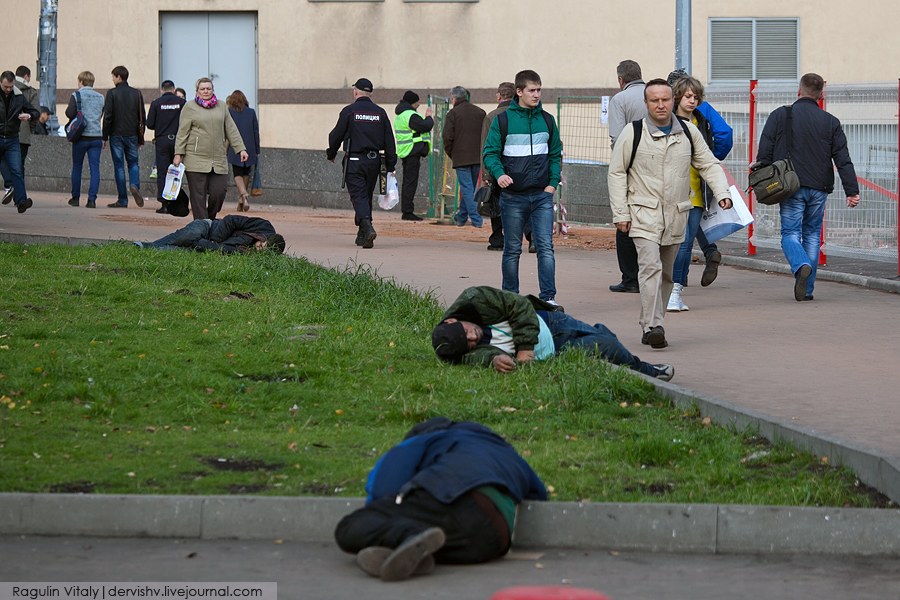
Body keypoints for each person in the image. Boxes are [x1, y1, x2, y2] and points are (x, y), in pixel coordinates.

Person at [334, 416, 547, 582]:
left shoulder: (426, 439)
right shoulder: (508, 453)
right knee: (433, 536)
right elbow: (539, 495)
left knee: (349, 527)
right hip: (493, 541)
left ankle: (409, 536)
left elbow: (384, 486)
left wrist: (377, 517)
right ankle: (418, 554)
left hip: (451, 498)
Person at [608, 79, 732, 350]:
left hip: (677, 214)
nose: (661, 105)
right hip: (643, 214)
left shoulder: (688, 132)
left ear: (672, 101)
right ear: (646, 103)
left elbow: (708, 163)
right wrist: (621, 212)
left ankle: (649, 322)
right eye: (655, 100)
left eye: (665, 99)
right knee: (650, 267)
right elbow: (617, 173)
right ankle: (655, 326)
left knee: (666, 274)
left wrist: (722, 193)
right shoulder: (633, 132)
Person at [756, 72, 860, 301]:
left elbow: (765, 148)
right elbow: (842, 159)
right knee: (812, 234)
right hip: (820, 187)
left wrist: (762, 172)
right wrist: (852, 191)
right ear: (821, 95)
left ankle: (800, 264)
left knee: (790, 233)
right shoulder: (830, 121)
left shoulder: (780, 115)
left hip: (789, 185)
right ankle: (808, 289)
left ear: (799, 91)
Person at [431, 285, 673, 381]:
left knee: (608, 344)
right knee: (606, 347)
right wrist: (494, 358)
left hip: (551, 323)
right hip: (555, 352)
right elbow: (474, 357)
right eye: (469, 343)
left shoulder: (475, 298)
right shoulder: (454, 350)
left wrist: (525, 349)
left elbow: (520, 305)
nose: (474, 338)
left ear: (453, 320)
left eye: (467, 333)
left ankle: (646, 371)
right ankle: (648, 372)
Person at [482, 70, 563, 308]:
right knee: (512, 249)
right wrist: (499, 174)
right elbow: (490, 152)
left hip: (541, 195)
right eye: (532, 90)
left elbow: (556, 153)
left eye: (539, 90)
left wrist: (552, 182)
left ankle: (548, 298)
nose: (537, 95)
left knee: (546, 248)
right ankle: (510, 298)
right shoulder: (503, 120)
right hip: (513, 196)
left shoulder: (547, 120)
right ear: (519, 92)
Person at [666, 68, 734, 289]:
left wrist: (712, 162)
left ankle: (677, 286)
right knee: (674, 241)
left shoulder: (700, 119)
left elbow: (711, 152)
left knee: (685, 242)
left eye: (695, 96)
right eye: (688, 96)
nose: (692, 100)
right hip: (671, 191)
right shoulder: (666, 121)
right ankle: (672, 282)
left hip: (697, 188)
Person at [325, 77, 397, 249]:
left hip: (354, 161)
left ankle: (367, 226)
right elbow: (389, 141)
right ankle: (363, 235)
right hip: (374, 162)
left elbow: (336, 135)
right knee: (365, 195)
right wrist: (391, 165)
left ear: (356, 91)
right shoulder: (380, 113)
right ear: (370, 93)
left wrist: (331, 153)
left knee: (358, 196)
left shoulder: (349, 111)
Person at [173, 77, 248, 220]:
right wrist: (178, 154)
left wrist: (241, 149)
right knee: (198, 196)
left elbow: (231, 129)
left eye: (208, 88)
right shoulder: (189, 107)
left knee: (219, 192)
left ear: (213, 90)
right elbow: (182, 132)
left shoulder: (221, 106)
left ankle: (210, 217)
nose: (206, 91)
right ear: (197, 91)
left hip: (218, 159)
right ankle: (201, 226)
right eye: (202, 89)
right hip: (195, 159)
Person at [606, 60, 646, 294]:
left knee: (625, 222)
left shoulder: (619, 100)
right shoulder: (656, 94)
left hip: (631, 168)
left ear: (621, 80)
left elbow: (617, 138)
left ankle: (630, 278)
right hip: (659, 166)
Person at [442, 86, 486, 228]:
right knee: (470, 189)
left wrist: (452, 153)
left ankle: (476, 219)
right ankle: (461, 218)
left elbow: (447, 137)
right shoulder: (480, 112)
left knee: (467, 189)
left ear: (454, 98)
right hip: (477, 157)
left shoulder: (453, 114)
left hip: (461, 157)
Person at [102, 65, 145, 208]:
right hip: (132, 134)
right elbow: (142, 116)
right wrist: (140, 137)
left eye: (113, 76)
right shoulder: (136, 93)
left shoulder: (112, 93)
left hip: (116, 135)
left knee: (119, 167)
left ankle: (122, 199)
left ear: (118, 77)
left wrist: (104, 136)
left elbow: (108, 116)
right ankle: (134, 185)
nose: (112, 79)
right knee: (133, 163)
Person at [480, 81, 516, 251]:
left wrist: (486, 174)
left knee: (496, 204)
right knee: (523, 204)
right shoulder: (521, 114)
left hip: (497, 168)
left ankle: (497, 239)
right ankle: (532, 239)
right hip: (519, 166)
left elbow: (485, 147)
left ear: (499, 96)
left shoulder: (491, 116)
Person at [135, 214, 285, 254]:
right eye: (261, 245)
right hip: (210, 227)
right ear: (265, 238)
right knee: (187, 236)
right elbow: (232, 220)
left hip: (208, 246)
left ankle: (143, 248)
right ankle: (148, 246)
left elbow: (223, 251)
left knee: (180, 251)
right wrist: (214, 240)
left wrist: (206, 245)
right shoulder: (263, 226)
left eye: (262, 250)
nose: (258, 247)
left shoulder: (248, 254)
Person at [65, 71, 105, 209]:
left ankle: (75, 198)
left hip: (80, 137)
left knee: (77, 166)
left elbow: (69, 113)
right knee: (95, 168)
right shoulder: (101, 97)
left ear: (81, 81)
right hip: (96, 137)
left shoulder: (76, 95)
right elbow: (100, 114)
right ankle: (92, 200)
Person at [0, 70, 38, 214]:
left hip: (12, 137)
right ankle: (9, 186)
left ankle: (21, 201)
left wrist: (29, 115)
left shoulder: (19, 97)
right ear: (0, 83)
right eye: (5, 87)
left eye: (11, 86)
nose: (8, 89)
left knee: (17, 169)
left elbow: (35, 112)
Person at [146, 80, 186, 214]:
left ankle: (164, 204)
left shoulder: (156, 103)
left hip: (162, 141)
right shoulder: (181, 103)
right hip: (178, 141)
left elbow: (150, 124)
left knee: (163, 172)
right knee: (176, 172)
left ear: (162, 90)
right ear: (174, 90)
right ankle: (176, 202)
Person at [393, 90, 433, 221]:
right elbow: (424, 126)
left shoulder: (401, 114)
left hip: (406, 151)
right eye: (418, 102)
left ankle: (407, 210)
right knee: (410, 182)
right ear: (412, 102)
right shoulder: (410, 115)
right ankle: (407, 211)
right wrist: (429, 117)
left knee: (408, 182)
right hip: (411, 152)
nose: (419, 104)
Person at [226, 90, 260, 213]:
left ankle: (243, 194)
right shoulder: (251, 112)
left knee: (237, 172)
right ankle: (242, 198)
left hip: (235, 147)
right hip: (250, 146)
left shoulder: (229, 112)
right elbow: (256, 131)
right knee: (246, 173)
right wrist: (257, 149)